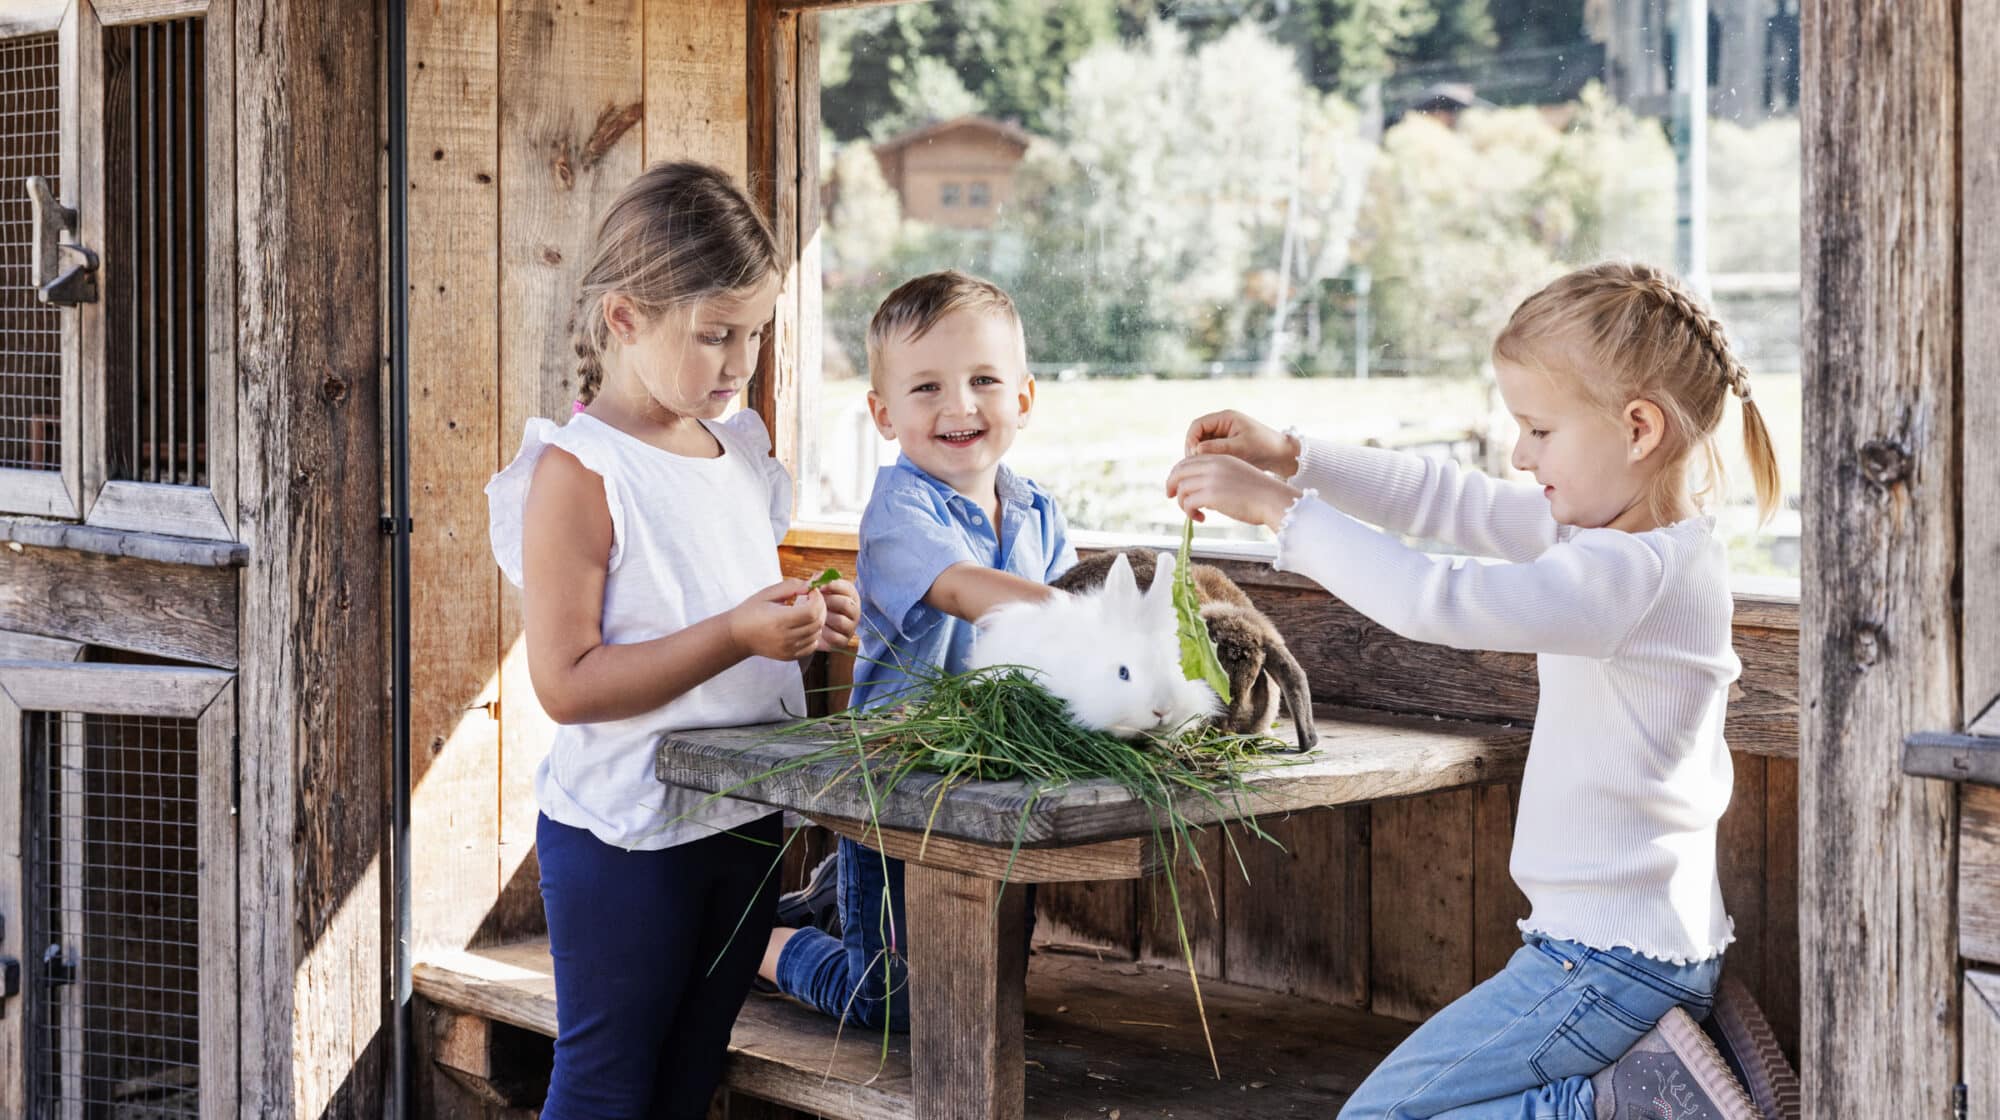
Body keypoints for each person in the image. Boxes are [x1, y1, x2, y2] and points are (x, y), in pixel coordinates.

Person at [1166, 262, 1778, 1120]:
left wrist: (1282, 512)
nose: (1522, 456)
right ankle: (1637, 1085)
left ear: (1638, 428)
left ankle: (1618, 1108)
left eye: (1538, 429)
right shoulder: (1630, 538)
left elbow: (1436, 599)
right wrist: (1295, 458)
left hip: (1606, 961)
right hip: (1633, 948)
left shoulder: (1627, 574)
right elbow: (1443, 500)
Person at [484, 161, 859, 1119]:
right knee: (611, 1084)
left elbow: (724, 612)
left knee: (694, 1072)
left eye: (757, 334)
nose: (741, 362)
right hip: (628, 833)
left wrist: (805, 623)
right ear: (623, 318)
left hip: (743, 812)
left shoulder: (738, 451)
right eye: (715, 335)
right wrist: (739, 632)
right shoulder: (579, 471)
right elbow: (566, 683)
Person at [760, 270, 1074, 1030]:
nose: (960, 406)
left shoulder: (1038, 512)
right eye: (926, 388)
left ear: (1024, 399)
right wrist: (1091, 616)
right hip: (900, 782)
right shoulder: (899, 510)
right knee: (893, 1000)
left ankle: (835, 901)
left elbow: (1062, 651)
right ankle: (757, 942)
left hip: (994, 783)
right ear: (884, 413)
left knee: (985, 983)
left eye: (984, 380)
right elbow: (966, 589)